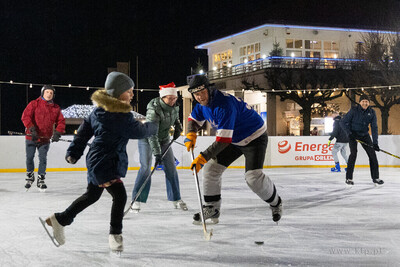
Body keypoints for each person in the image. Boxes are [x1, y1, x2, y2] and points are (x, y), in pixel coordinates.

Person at [42, 72, 157, 253]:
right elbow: (139, 131)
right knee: (120, 196)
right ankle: (115, 235)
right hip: (105, 162)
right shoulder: (120, 115)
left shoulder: (97, 111)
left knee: (92, 195)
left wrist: (74, 152)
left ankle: (60, 219)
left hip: (97, 159)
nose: (132, 95)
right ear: (117, 93)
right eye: (129, 91)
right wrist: (154, 124)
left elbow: (83, 132)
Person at [184, 75, 282, 225]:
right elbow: (193, 119)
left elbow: (223, 141)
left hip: (254, 137)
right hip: (234, 139)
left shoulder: (224, 105)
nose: (199, 97)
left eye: (202, 92)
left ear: (209, 89)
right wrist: (191, 133)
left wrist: (203, 157)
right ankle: (212, 208)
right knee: (211, 169)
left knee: (253, 178)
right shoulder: (202, 105)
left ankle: (276, 202)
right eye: (195, 94)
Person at [130, 82, 187, 212]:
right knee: (145, 168)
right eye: (169, 98)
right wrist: (157, 153)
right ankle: (136, 199)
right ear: (163, 97)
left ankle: (176, 199)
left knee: (171, 168)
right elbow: (152, 134)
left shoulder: (175, 106)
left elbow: (175, 118)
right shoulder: (154, 109)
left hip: (164, 139)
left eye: (174, 98)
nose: (172, 101)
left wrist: (178, 127)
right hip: (147, 138)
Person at [21, 84, 65, 191]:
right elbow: (25, 116)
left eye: (51, 93)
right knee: (29, 157)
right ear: (42, 93)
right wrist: (31, 129)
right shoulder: (34, 104)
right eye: (47, 92)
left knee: (43, 159)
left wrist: (58, 133)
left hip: (45, 138)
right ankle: (30, 176)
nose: (49, 94)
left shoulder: (56, 108)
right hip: (31, 137)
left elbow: (61, 121)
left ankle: (41, 179)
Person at [340, 94, 383, 186]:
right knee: (353, 154)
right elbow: (343, 122)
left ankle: (376, 177)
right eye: (363, 101)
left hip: (364, 135)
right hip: (353, 134)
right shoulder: (354, 110)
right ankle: (349, 178)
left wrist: (375, 143)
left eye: (366, 101)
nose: (365, 103)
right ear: (360, 102)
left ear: (369, 103)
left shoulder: (372, 112)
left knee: (372, 155)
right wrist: (349, 133)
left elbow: (374, 127)